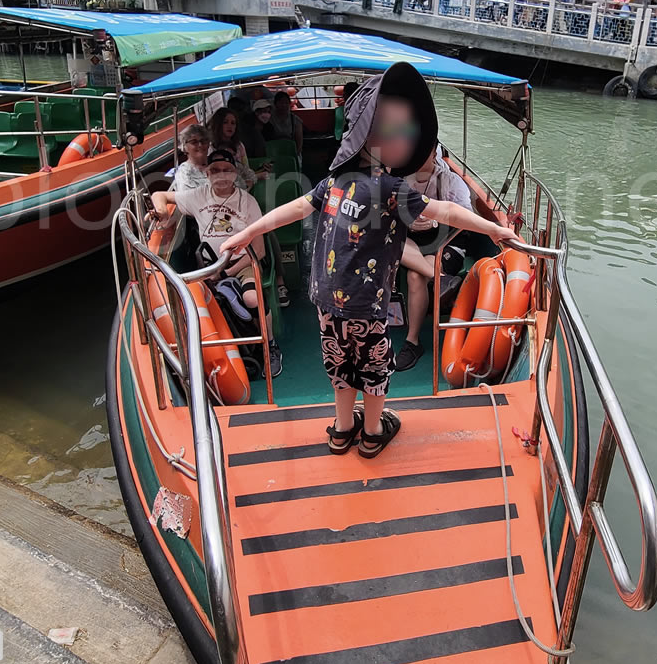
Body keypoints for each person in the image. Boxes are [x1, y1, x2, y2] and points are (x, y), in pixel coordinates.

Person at [222, 62, 518, 458]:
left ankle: (342, 430)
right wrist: (493, 229)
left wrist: (248, 232)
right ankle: (373, 432)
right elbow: (445, 212)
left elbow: (294, 208)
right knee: (374, 371)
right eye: (393, 130)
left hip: (326, 303)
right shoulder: (392, 189)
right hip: (367, 306)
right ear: (367, 135)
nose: (404, 138)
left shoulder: (334, 183)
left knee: (340, 369)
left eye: (407, 130)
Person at [151, 149, 264, 308]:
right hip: (208, 264)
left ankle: (268, 331)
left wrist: (226, 273)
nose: (221, 175)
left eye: (227, 170)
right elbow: (159, 195)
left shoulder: (248, 201)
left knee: (252, 299)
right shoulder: (199, 195)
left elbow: (259, 251)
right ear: (207, 174)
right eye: (215, 170)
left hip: (241, 265)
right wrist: (161, 211)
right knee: (198, 304)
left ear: (235, 173)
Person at [394, 142, 473, 370]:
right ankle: (444, 282)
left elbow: (466, 219)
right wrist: (409, 220)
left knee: (414, 277)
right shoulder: (399, 179)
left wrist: (435, 220)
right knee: (396, 245)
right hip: (413, 242)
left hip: (446, 242)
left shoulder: (450, 181)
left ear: (433, 153)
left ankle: (412, 341)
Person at [208, 105, 260, 186]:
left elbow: (246, 169)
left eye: (233, 123)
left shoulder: (239, 146)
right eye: (225, 122)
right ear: (218, 124)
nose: (230, 126)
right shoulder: (211, 148)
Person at [168, 123, 212, 192]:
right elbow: (188, 199)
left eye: (203, 141)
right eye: (194, 142)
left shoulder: (216, 163)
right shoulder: (184, 173)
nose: (200, 145)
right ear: (184, 147)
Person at [268, 90, 303, 154]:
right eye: (281, 103)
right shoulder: (269, 119)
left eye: (286, 103)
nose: (284, 105)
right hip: (274, 151)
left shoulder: (295, 120)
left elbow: (299, 142)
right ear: (275, 104)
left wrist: (296, 154)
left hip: (291, 151)